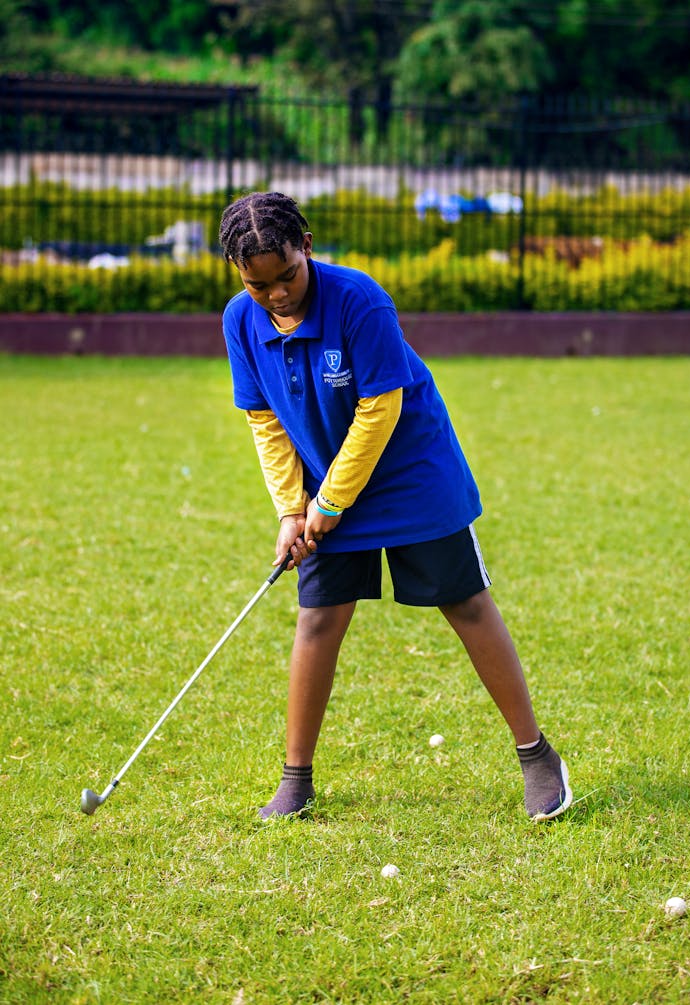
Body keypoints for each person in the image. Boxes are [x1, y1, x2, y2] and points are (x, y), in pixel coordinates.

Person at [219, 191, 573, 823]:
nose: (275, 294)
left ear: (307, 247)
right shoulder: (239, 322)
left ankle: (536, 755)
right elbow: (265, 419)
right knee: (318, 618)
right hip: (329, 484)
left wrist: (330, 500)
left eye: (286, 276)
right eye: (257, 284)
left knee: (464, 602)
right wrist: (292, 511)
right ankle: (295, 779)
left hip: (410, 472)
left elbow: (380, 408)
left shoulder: (359, 300)